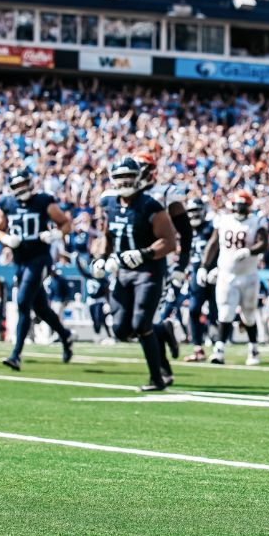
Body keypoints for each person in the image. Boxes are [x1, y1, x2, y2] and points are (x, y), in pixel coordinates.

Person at [90, 156, 176, 391]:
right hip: (122, 272)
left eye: (129, 176)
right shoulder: (109, 203)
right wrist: (99, 258)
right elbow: (107, 236)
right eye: (120, 177)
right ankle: (161, 330)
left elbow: (169, 242)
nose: (125, 181)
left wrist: (145, 253)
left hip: (147, 271)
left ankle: (156, 378)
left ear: (138, 178)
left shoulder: (150, 205)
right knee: (120, 329)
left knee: (140, 323)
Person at [0, 168, 75, 370]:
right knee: (40, 308)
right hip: (20, 261)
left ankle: (15, 355)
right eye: (17, 185)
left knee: (22, 302)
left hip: (39, 260)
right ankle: (65, 336)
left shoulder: (43, 201)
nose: (21, 189)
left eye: (23, 184)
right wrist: (5, 238)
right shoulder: (7, 203)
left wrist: (55, 234)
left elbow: (66, 224)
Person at [198, 190, 268, 365]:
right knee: (225, 312)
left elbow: (264, 243)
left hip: (249, 275)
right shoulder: (223, 220)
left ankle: (253, 349)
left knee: (249, 315)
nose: (240, 209)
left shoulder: (256, 220)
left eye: (243, 206)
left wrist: (249, 251)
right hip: (227, 275)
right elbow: (213, 244)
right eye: (238, 205)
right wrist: (204, 266)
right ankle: (219, 350)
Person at [182, 198, 219, 362]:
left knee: (216, 313)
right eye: (191, 211)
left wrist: (219, 268)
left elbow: (220, 246)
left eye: (196, 210)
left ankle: (219, 347)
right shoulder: (187, 231)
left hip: (214, 274)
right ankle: (198, 348)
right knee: (193, 309)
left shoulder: (211, 228)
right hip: (197, 275)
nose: (194, 214)